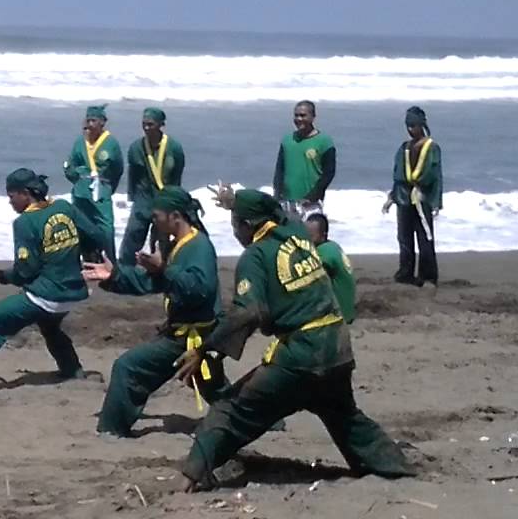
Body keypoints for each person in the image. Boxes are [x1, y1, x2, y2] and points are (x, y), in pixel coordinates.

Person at [174, 189, 413, 491]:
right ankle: (397, 469)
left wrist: (205, 348)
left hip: (302, 355)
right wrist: (237, 202)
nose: (234, 232)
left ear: (247, 225)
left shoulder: (255, 256)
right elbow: (279, 211)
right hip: (337, 344)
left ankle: (189, 477)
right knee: (344, 417)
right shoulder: (297, 231)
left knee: (231, 410)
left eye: (235, 224)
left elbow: (249, 312)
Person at [82, 186, 228, 436]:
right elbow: (152, 282)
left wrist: (164, 269)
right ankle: (264, 418)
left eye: (157, 216)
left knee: (129, 367)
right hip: (187, 332)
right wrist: (115, 276)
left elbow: (200, 290)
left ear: (175, 216)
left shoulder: (199, 247)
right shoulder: (178, 245)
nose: (154, 221)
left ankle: (112, 430)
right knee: (215, 387)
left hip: (191, 336)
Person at [0, 169, 99, 387]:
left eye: (11, 196)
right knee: (49, 326)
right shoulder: (64, 207)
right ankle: (72, 371)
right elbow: (95, 235)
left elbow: (25, 271)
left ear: (25, 193)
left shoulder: (25, 222)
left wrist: (2, 276)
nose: (10, 202)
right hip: (75, 291)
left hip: (48, 295)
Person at [383, 106, 442, 288]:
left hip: (422, 197)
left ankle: (428, 275)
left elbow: (435, 175)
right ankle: (405, 272)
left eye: (413, 125)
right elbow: (398, 174)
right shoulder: (404, 148)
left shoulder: (431, 148)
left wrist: (436, 201)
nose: (410, 129)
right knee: (404, 237)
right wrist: (391, 197)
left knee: (425, 237)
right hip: (403, 197)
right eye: (408, 126)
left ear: (421, 125)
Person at [120, 108, 185, 267]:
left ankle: (160, 270)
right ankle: (125, 269)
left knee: (161, 240)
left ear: (161, 125)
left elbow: (177, 176)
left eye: (150, 124)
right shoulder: (136, 148)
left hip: (164, 201)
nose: (146, 128)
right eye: (144, 124)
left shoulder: (174, 148)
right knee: (133, 235)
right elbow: (133, 175)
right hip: (143, 199)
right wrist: (132, 197)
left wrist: (175, 201)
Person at [63, 104, 123, 262]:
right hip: (80, 192)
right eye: (88, 120)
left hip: (100, 192)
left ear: (102, 122)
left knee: (106, 228)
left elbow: (118, 168)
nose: (90, 124)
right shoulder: (80, 142)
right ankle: (84, 259)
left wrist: (107, 187)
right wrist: (78, 179)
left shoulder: (111, 143)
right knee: (79, 226)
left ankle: (110, 260)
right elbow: (70, 166)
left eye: (93, 121)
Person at [273, 101, 336, 221]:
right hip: (287, 203)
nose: (299, 119)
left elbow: (329, 173)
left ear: (313, 117)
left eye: (303, 115)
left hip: (311, 204)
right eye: (296, 115)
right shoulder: (287, 140)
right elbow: (279, 170)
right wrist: (277, 194)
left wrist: (312, 196)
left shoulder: (325, 142)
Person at [306, 214, 356, 323]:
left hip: (339, 314)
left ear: (323, 235)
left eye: (311, 236)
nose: (307, 240)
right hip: (348, 309)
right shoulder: (333, 246)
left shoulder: (324, 253)